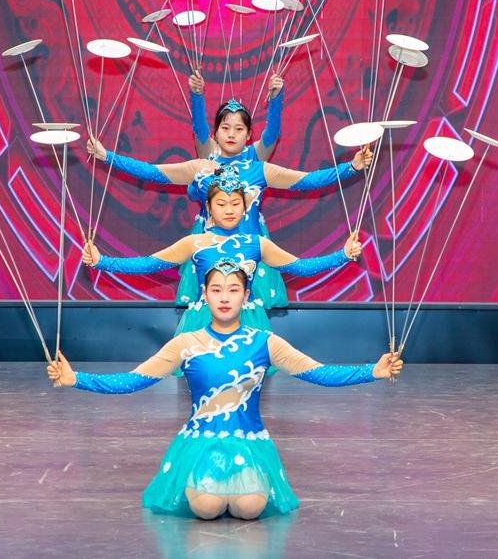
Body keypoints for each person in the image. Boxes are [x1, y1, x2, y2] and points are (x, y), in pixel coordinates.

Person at [46, 262, 402, 519]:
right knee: (207, 507)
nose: (224, 297)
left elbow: (317, 373)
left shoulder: (265, 342)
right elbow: (135, 379)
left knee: (250, 509)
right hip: (200, 443)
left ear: (246, 296)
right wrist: (76, 379)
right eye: (216, 289)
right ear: (204, 294)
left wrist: (372, 371)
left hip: (248, 443)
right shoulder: (186, 343)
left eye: (233, 290)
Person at [85, 71, 372, 309]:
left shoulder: (259, 169)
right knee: (211, 304)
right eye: (225, 128)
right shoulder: (201, 167)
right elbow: (152, 172)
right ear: (216, 132)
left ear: (248, 135)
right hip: (209, 246)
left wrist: (351, 167)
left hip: (249, 247)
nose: (232, 134)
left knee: (248, 306)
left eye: (239, 129)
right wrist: (106, 156)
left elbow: (306, 180)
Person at [82, 167, 362, 333]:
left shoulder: (257, 244)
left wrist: (343, 254)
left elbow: (300, 267)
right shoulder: (195, 242)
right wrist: (101, 261)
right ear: (208, 207)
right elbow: (148, 264)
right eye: (221, 203)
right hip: (202, 325)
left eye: (235, 203)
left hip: (249, 325)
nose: (229, 210)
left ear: (245, 207)